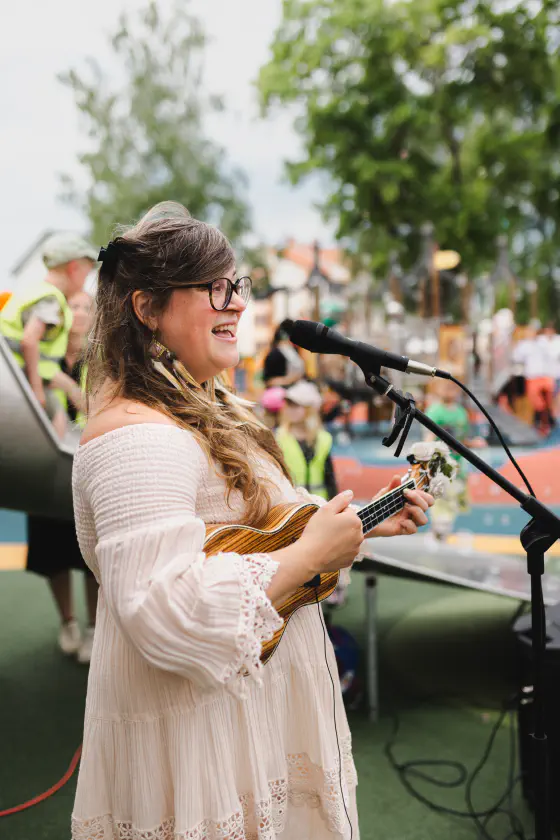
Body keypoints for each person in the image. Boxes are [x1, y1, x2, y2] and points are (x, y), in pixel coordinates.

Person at [71, 201, 433, 840]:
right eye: (213, 287)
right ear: (148, 308)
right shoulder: (136, 438)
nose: (235, 302)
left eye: (235, 284)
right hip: (195, 731)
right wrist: (306, 559)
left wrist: (363, 526)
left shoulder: (212, 409)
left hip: (244, 712)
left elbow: (260, 535)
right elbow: (162, 609)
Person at [26, 290, 98, 663]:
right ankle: (68, 622)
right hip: (49, 464)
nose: (81, 313)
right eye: (74, 306)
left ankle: (91, 628)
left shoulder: (101, 359)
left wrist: (67, 386)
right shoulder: (40, 356)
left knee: (89, 549)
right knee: (50, 547)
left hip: (86, 462)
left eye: (87, 307)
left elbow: (99, 408)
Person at [0, 232, 97, 439]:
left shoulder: (36, 291)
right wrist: (37, 390)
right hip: (19, 369)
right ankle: (61, 460)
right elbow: (29, 339)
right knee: (58, 417)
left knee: (69, 393)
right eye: (85, 275)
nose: (84, 283)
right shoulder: (51, 299)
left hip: (22, 366)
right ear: (73, 269)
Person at [425, 379, 485, 541]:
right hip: (440, 465)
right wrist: (429, 456)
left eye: (453, 387)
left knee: (456, 499)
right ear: (437, 388)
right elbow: (429, 438)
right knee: (442, 497)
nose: (449, 390)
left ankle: (443, 529)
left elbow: (461, 440)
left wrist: (473, 443)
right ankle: (439, 529)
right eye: (445, 386)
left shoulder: (461, 413)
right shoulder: (435, 412)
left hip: (458, 465)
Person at [276, 379, 337, 500]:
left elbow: (330, 479)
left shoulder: (323, 439)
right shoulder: (278, 437)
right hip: (292, 506)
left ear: (309, 409)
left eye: (296, 406)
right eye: (289, 405)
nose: (290, 410)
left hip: (320, 505)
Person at [262, 319, 306, 387]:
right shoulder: (275, 355)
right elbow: (268, 381)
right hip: (282, 393)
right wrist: (289, 380)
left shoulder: (293, 351)